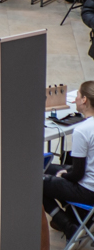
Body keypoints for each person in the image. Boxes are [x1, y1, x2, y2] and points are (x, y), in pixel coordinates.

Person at [43, 81, 94, 240]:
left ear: (84, 100)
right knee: (49, 169)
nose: (75, 99)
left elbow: (77, 174)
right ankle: (72, 216)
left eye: (78, 95)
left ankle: (68, 226)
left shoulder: (82, 130)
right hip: (89, 183)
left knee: (35, 181)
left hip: (87, 190)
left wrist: (63, 175)